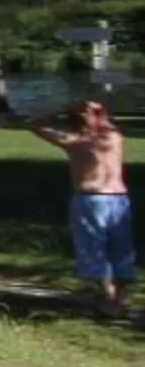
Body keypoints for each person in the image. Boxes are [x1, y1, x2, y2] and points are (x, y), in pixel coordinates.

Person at [29, 99, 130, 313]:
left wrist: (61, 110)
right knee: (120, 248)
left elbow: (36, 124)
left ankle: (108, 297)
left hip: (90, 199)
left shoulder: (73, 142)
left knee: (93, 247)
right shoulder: (112, 138)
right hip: (117, 198)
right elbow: (104, 122)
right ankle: (115, 298)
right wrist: (93, 110)